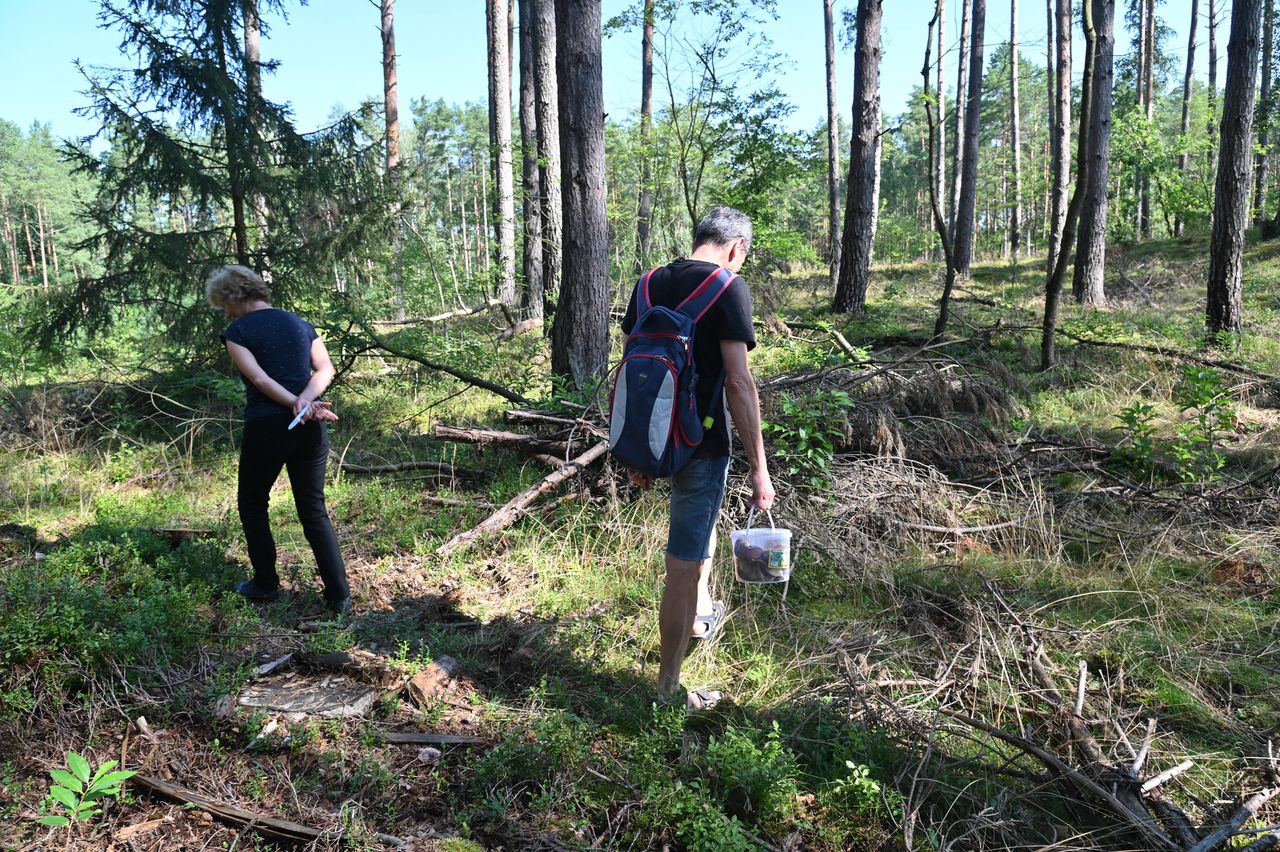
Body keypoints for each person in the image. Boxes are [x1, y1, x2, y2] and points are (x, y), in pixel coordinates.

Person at [621, 206, 775, 709]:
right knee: (682, 565)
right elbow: (738, 381)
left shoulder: (647, 285)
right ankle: (667, 688)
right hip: (704, 446)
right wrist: (760, 467)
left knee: (698, 536)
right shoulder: (728, 287)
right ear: (736, 248)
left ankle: (701, 610)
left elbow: (634, 371)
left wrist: (636, 452)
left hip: (654, 437)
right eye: (742, 257)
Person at [205, 265, 351, 614]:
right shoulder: (300, 323)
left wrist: (294, 403)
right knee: (313, 509)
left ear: (233, 297)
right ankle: (339, 595)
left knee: (253, 503)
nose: (224, 312)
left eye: (223, 304)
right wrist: (306, 402)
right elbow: (326, 369)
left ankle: (267, 584)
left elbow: (258, 379)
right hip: (310, 428)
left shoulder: (237, 332)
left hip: (267, 427)